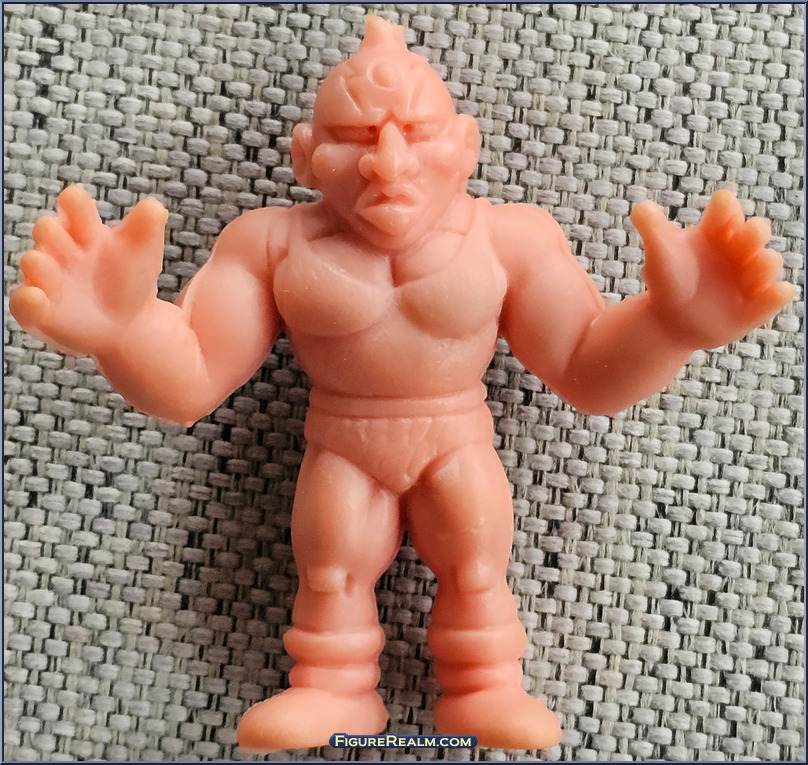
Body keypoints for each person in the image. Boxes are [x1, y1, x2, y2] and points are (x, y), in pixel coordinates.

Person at [9, 15, 793, 752]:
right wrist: (123, 329)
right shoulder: (270, 244)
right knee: (331, 569)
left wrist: (670, 326)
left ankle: (486, 683)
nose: (387, 164)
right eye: (355, 138)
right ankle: (331, 685)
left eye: (415, 134)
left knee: (477, 564)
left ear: (465, 145)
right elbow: (190, 380)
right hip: (343, 439)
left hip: (456, 435)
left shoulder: (509, 238)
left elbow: (588, 371)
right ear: (305, 155)